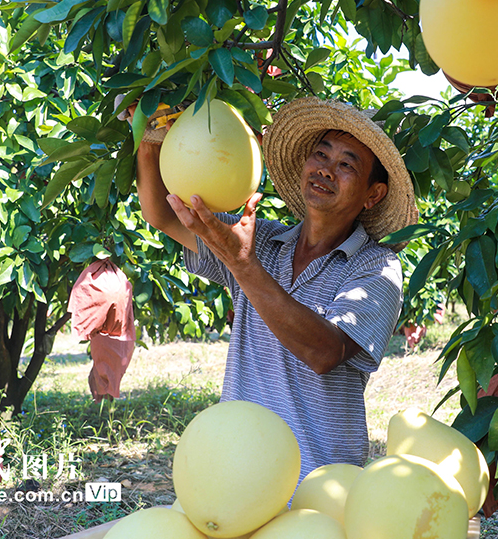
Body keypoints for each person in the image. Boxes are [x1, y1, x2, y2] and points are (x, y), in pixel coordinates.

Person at [136, 96, 419, 479]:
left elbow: (324, 351)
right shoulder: (263, 241)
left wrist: (243, 265)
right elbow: (164, 215)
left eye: (347, 164)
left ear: (373, 195)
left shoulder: (376, 268)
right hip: (238, 473)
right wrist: (153, 137)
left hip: (318, 483)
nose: (326, 170)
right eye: (321, 154)